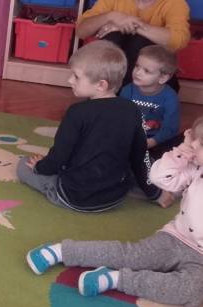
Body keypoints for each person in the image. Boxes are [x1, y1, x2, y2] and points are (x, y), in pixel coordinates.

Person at [25, 118, 203, 307]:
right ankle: (61, 251)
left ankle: (115, 279)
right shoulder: (195, 170)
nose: (193, 144)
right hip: (176, 238)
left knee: (192, 292)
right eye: (194, 139)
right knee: (134, 255)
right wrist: (183, 151)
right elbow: (159, 178)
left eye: (200, 143)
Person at [16, 41, 169, 212]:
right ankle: (150, 189)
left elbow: (59, 157)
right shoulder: (133, 110)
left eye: (76, 77)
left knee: (23, 164)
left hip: (75, 196)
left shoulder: (76, 112)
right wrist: (154, 193)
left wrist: (39, 167)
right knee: (142, 164)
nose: (69, 80)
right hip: (115, 196)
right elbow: (140, 157)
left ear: (101, 85)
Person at [119, 44, 182, 160]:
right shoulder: (127, 91)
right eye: (137, 66)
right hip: (131, 137)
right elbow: (121, 119)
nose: (138, 72)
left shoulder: (170, 97)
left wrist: (152, 142)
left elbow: (171, 128)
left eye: (146, 71)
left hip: (158, 141)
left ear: (162, 78)